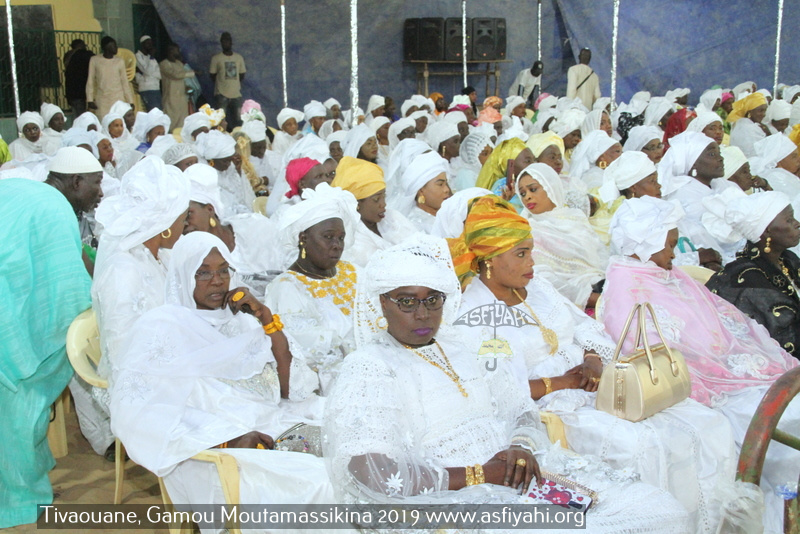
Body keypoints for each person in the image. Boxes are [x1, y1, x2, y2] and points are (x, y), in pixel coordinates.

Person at [323, 234, 691, 532]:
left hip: (519, 475)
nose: (423, 313)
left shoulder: (462, 346)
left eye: (433, 300)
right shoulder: (369, 366)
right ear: (380, 304)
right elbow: (370, 472)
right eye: (407, 301)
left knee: (660, 511)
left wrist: (520, 446)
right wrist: (480, 474)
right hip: (453, 499)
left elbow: (519, 408)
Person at [450, 195, 736, 532]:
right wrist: (567, 382)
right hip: (552, 408)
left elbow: (586, 327)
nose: (532, 262)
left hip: (597, 385)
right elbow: (500, 392)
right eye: (521, 254)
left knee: (706, 423)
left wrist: (592, 360)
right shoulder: (475, 316)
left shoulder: (537, 287)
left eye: (531, 250)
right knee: (643, 444)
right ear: (488, 261)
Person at [602, 196, 800, 533]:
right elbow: (657, 351)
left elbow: (728, 322)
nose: (674, 253)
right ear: (645, 244)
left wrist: (741, 363)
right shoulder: (627, 286)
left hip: (734, 371)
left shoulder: (668, 273)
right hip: (705, 386)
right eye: (667, 245)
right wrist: (723, 371)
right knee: (785, 422)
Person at [109, 232, 329, 514]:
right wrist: (229, 439)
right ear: (184, 277)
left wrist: (265, 319)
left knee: (354, 455)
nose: (217, 280)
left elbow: (291, 388)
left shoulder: (242, 320)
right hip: (212, 454)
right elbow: (138, 416)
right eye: (203, 273)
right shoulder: (162, 328)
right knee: (321, 485)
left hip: (274, 427)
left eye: (224, 270)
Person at [0, 179, 93, 528]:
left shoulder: (16, 211)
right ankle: (16, 500)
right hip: (10, 338)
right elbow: (69, 293)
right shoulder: (48, 213)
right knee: (16, 411)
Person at [92, 156, 190, 388]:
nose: (185, 225)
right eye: (183, 219)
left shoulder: (160, 256)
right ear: (165, 224)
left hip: (171, 364)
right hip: (141, 383)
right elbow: (122, 352)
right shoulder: (123, 270)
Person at [264, 183, 359, 394]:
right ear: (303, 239)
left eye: (341, 238)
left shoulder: (351, 272)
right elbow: (308, 352)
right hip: (334, 385)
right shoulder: (287, 288)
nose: (337, 245)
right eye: (328, 237)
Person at [706, 192, 800, 357]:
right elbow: (788, 341)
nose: (797, 223)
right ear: (767, 231)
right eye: (789, 220)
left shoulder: (787, 259)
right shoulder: (748, 279)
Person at [517, 163, 607, 309]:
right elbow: (541, 278)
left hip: (600, 285)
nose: (527, 197)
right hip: (567, 302)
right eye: (522, 193)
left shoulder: (575, 217)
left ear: (551, 187)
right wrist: (589, 297)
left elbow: (600, 257)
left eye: (533, 189)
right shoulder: (527, 230)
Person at [661, 131, 732, 268]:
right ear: (693, 164)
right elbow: (710, 239)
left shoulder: (721, 184)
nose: (720, 159)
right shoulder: (684, 195)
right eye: (712, 154)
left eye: (719, 153)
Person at [332, 156, 411, 268]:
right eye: (376, 199)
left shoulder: (393, 217)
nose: (383, 204)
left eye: (384, 196)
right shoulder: (350, 238)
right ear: (357, 204)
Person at [194, 130, 255, 218]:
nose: (229, 164)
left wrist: (238, 171)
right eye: (225, 161)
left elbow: (244, 198)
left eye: (230, 160)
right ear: (211, 161)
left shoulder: (230, 168)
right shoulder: (203, 177)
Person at [395, 151, 452, 232]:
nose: (447, 190)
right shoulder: (415, 226)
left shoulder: (448, 214)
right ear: (421, 190)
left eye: (446, 183)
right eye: (440, 184)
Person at [86, 36, 133, 120]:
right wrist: (90, 100)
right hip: (102, 100)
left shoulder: (119, 61)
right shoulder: (95, 60)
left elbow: (125, 83)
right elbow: (90, 81)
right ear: (106, 47)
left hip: (118, 99)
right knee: (104, 123)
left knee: (118, 123)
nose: (116, 48)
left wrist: (130, 101)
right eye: (113, 45)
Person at [209, 32, 246, 131]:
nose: (226, 43)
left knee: (238, 121)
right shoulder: (216, 58)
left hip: (236, 94)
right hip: (221, 94)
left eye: (228, 40)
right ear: (221, 43)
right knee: (221, 121)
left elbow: (242, 74)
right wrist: (222, 85)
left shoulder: (238, 58)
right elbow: (212, 75)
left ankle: (239, 140)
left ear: (231, 42)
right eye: (223, 41)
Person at [750, 134, 800, 200]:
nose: (799, 159)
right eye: (794, 157)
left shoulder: (789, 175)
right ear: (778, 163)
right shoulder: (776, 179)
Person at [160, 43, 195, 131]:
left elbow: (182, 79)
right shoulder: (164, 64)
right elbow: (175, 75)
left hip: (182, 97)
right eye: (177, 50)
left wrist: (187, 87)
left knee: (182, 121)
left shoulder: (179, 63)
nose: (178, 52)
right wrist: (193, 73)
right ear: (171, 51)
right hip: (171, 97)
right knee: (171, 120)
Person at [728, 92, 770, 157]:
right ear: (750, 111)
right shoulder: (746, 128)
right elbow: (757, 153)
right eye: (760, 111)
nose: (764, 114)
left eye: (765, 110)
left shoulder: (747, 124)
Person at [64, 39, 94, 117]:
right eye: (84, 44)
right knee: (82, 117)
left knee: (77, 115)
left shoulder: (68, 55)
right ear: (80, 45)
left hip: (71, 92)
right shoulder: (85, 55)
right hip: (81, 91)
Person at [135, 35, 162, 111]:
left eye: (151, 44)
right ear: (142, 45)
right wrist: (152, 57)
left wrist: (148, 74)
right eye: (148, 44)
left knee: (159, 112)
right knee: (153, 112)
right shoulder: (138, 56)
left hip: (156, 88)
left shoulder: (151, 57)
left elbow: (159, 75)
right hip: (147, 89)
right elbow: (148, 71)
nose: (150, 46)